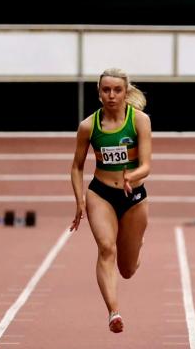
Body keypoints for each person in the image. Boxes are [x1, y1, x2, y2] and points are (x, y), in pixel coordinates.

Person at [70, 67, 152, 333]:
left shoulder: (139, 120)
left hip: (133, 196)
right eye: (106, 90)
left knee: (127, 269)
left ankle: (136, 243)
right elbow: (76, 166)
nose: (112, 95)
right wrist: (80, 199)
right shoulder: (88, 126)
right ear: (99, 93)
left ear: (125, 92)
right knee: (106, 248)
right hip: (101, 193)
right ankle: (113, 312)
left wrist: (132, 175)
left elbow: (147, 165)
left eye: (117, 90)